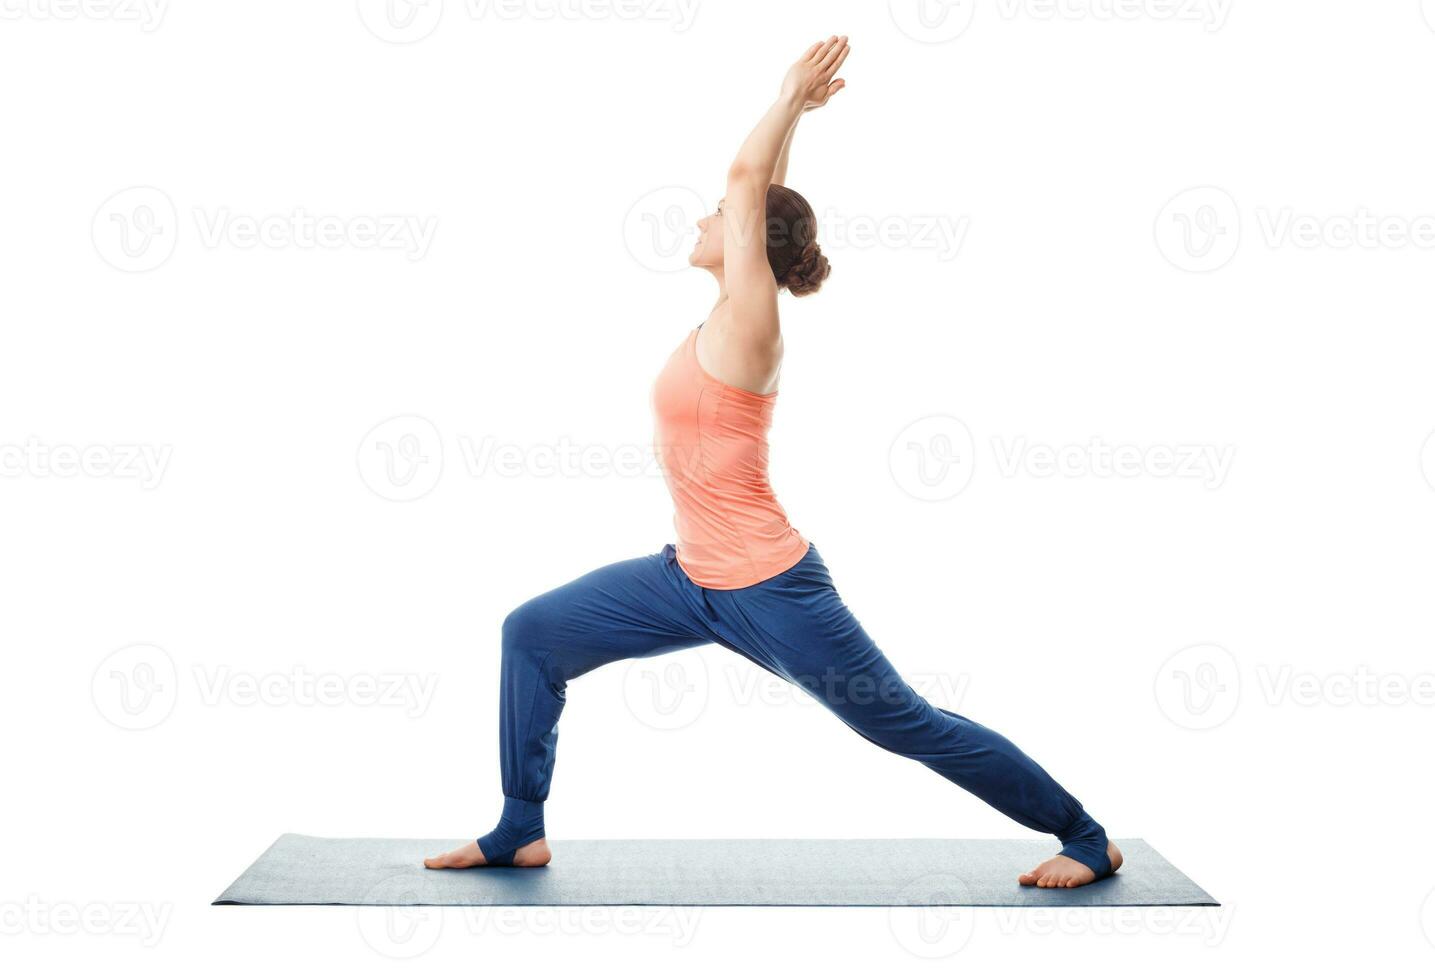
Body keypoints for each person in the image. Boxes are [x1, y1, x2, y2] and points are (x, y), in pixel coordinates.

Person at [426, 36, 1122, 888]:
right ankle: (518, 827)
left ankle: (1083, 834)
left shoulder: (751, 326)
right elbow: (766, 194)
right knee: (530, 634)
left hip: (769, 585)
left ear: (751, 238)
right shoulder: (724, 308)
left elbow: (751, 188)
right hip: (687, 580)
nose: (702, 219)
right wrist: (794, 121)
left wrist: (786, 93)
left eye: (716, 216)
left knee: (902, 725)